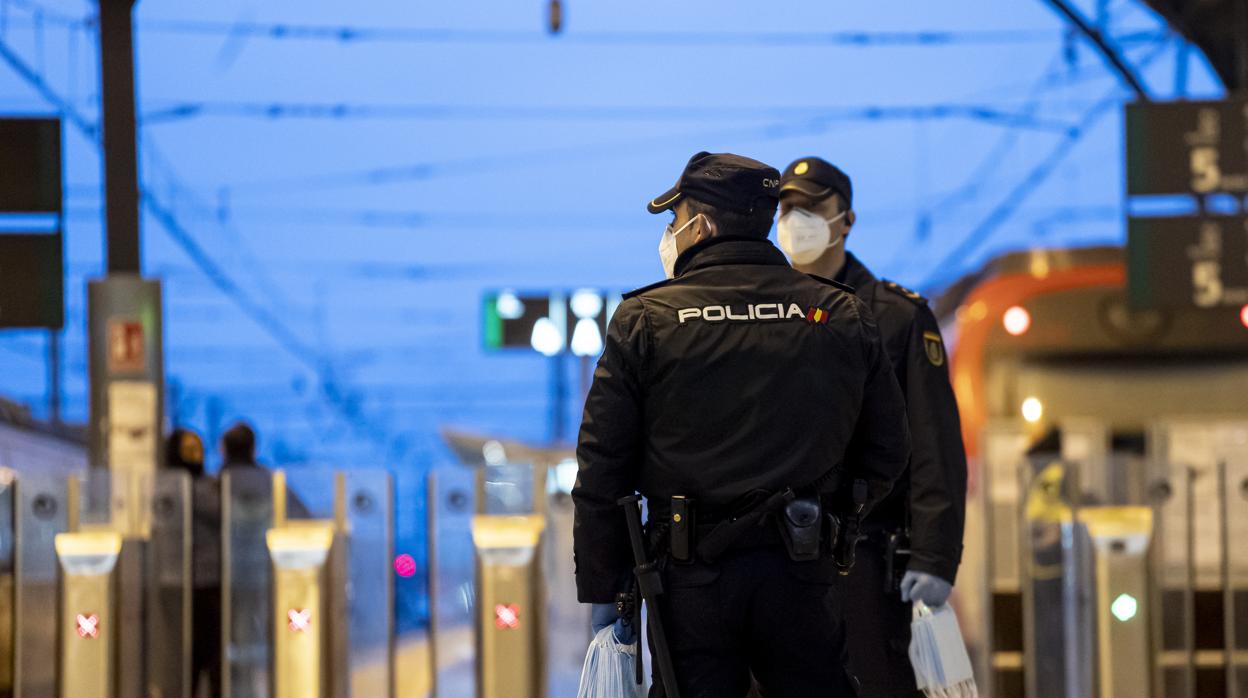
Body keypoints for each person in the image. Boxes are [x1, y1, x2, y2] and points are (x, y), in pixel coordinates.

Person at [573, 151, 911, 697]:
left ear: (700, 226)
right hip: (804, 569)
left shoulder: (645, 320)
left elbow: (601, 472)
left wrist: (605, 589)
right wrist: (837, 522)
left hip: (688, 582)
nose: (670, 234)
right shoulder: (839, 313)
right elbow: (888, 450)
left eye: (673, 220)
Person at [777, 157, 968, 696]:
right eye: (787, 208)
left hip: (866, 555)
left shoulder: (897, 318)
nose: (796, 219)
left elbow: (936, 447)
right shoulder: (763, 310)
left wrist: (935, 557)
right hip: (777, 558)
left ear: (847, 219)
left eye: (812, 207)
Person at [166, 428, 221, 698]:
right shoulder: (209, 489)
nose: (195, 455)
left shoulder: (168, 488)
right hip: (202, 583)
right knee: (206, 651)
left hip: (183, 582)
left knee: (192, 652)